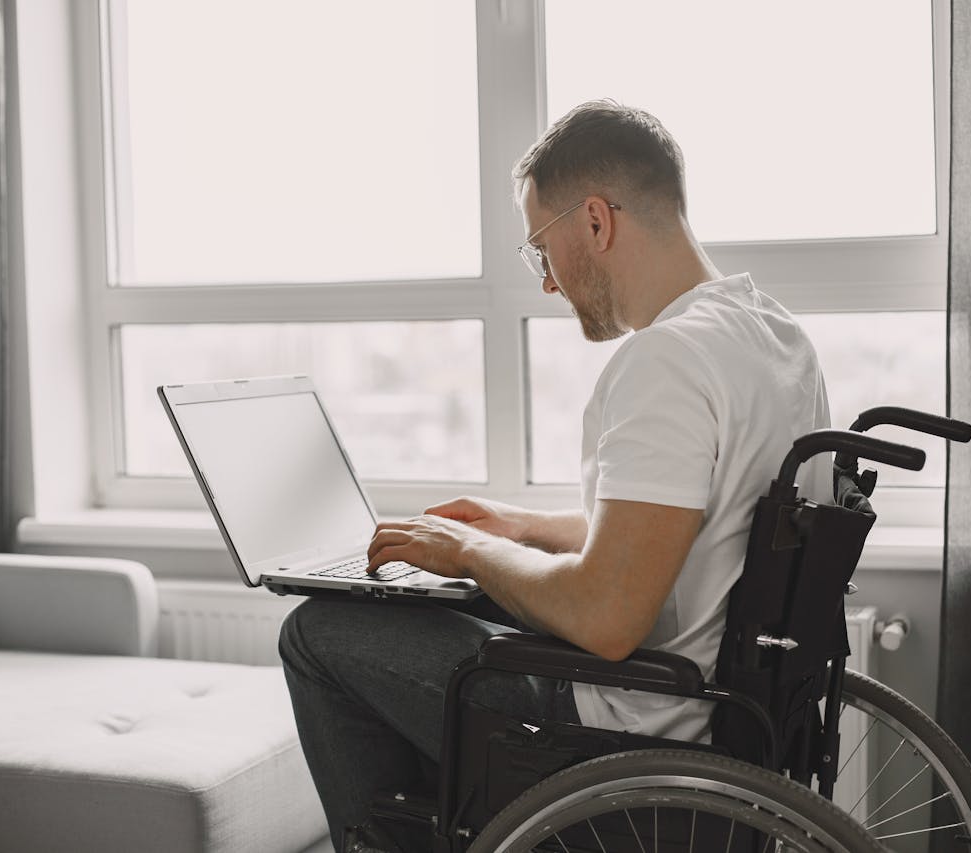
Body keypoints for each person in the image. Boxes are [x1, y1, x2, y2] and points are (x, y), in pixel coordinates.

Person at [278, 100, 832, 851]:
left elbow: (607, 617)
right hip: (726, 705)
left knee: (318, 632)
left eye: (542, 249)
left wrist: (471, 553)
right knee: (423, 605)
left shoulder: (666, 363)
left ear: (596, 222)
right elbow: (694, 531)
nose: (546, 282)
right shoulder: (769, 333)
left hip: (630, 726)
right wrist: (518, 526)